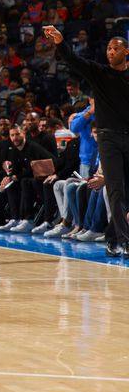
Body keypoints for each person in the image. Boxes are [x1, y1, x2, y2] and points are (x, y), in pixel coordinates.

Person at [44, 25, 129, 257]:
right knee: (115, 190)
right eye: (109, 49)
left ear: (126, 52)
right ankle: (123, 241)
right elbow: (73, 60)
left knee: (124, 193)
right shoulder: (100, 73)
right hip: (108, 137)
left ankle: (114, 237)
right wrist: (60, 42)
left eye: (115, 48)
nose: (110, 52)